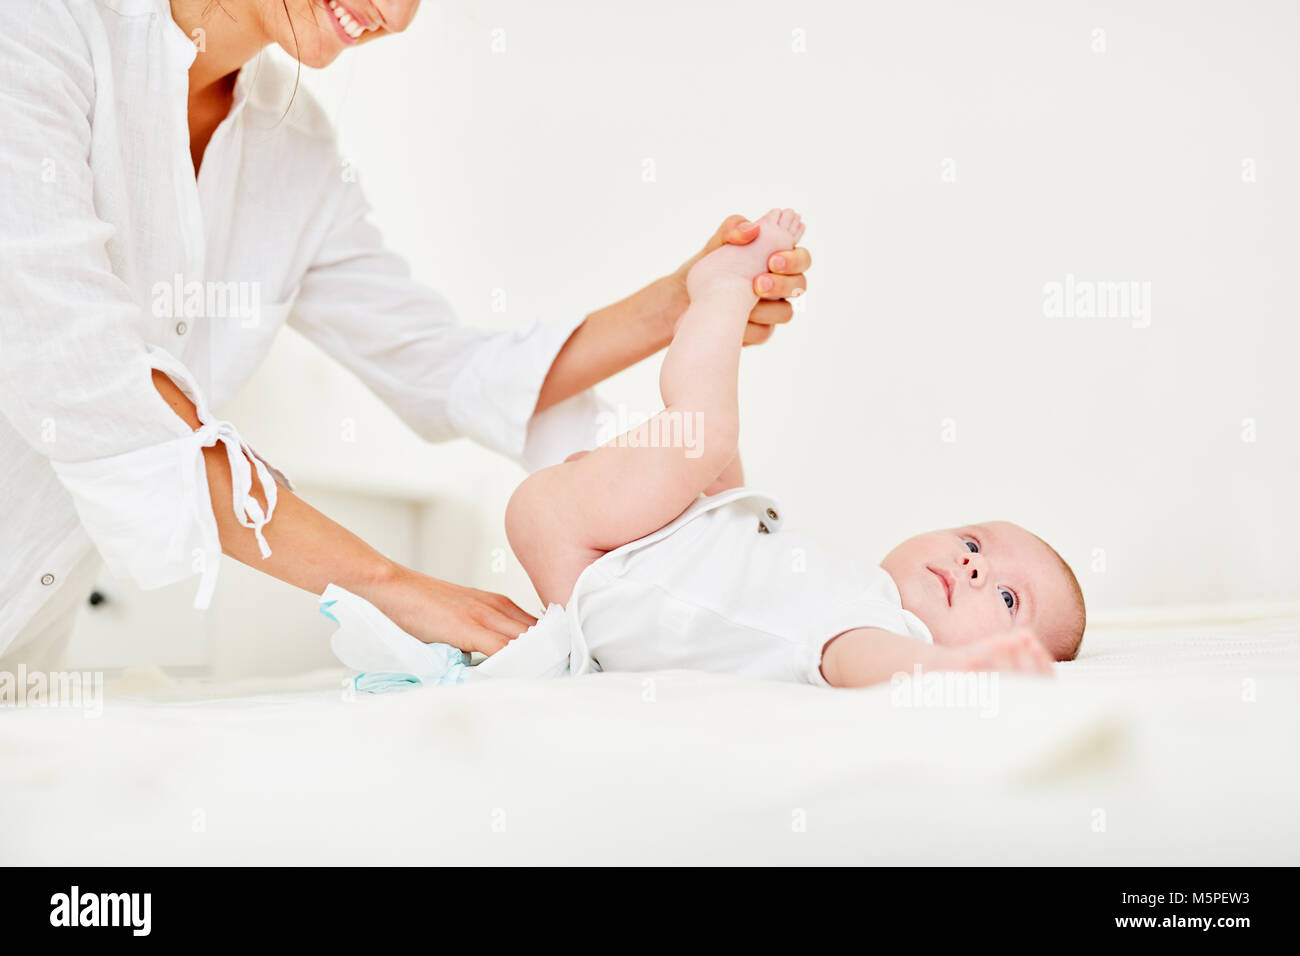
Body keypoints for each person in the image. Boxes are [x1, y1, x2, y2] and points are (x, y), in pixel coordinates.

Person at [0, 0, 812, 668]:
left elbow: (443, 370)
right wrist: (388, 585)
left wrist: (681, 304)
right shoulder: (37, 33)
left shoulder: (294, 146)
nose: (394, 13)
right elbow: (88, 380)